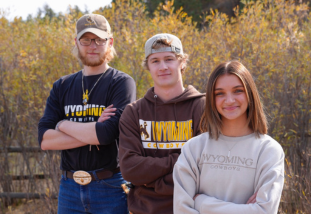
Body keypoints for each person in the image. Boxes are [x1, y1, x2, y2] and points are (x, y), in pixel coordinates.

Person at [38, 14, 136, 214]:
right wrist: (93, 130)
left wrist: (63, 124)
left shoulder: (121, 83)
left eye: (100, 39)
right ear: (76, 42)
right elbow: (45, 140)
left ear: (110, 42)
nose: (93, 45)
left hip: (110, 187)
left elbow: (107, 134)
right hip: (69, 189)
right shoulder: (62, 86)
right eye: (86, 40)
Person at [173, 61, 284, 214]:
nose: (230, 100)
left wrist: (202, 203)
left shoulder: (268, 150)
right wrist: (246, 210)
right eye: (220, 93)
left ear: (250, 93)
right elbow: (182, 209)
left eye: (237, 91)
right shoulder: (194, 148)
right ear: (212, 99)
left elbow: (264, 211)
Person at [118, 33, 205, 214]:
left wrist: (151, 179)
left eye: (169, 59)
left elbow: (207, 167)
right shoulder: (134, 112)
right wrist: (180, 160)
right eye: (155, 61)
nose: (163, 67)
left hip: (193, 208)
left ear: (182, 63)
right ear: (148, 67)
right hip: (144, 209)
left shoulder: (202, 107)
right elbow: (130, 169)